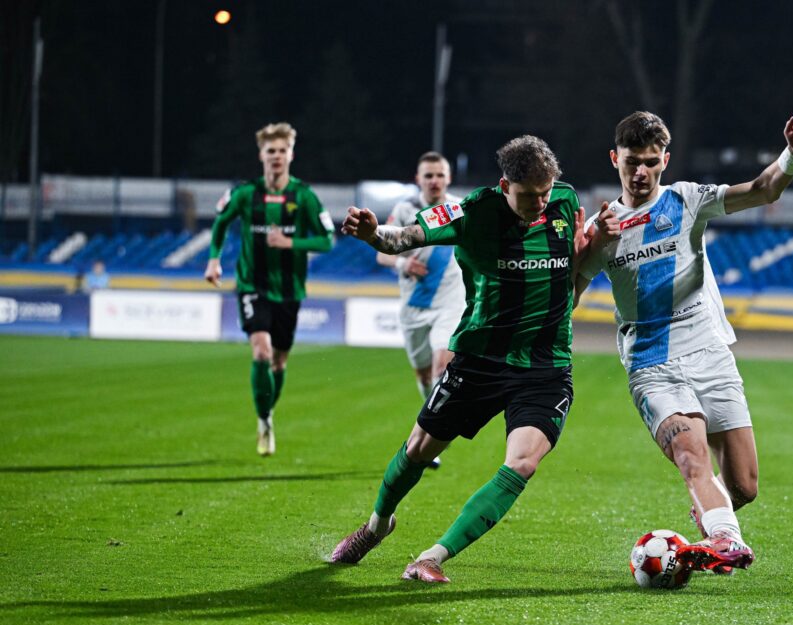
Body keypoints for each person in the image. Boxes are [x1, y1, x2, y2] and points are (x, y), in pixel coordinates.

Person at [575, 107, 793, 575]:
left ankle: (711, 516)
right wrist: (583, 254)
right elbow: (566, 300)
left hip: (709, 351)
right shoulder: (601, 228)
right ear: (615, 159)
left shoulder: (686, 200)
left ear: (664, 161)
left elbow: (762, 189)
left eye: (651, 160)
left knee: (745, 486)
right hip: (652, 362)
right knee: (691, 455)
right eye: (632, 160)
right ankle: (726, 541)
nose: (641, 171)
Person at [330, 135, 584, 584]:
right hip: (481, 360)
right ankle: (376, 527)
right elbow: (403, 238)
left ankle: (432, 557)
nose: (541, 203)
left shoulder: (563, 202)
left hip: (546, 367)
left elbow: (577, 265)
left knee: (522, 463)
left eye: (546, 192)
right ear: (505, 185)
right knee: (417, 451)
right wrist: (373, 234)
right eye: (529, 195)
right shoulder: (470, 212)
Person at [204, 122, 334, 456]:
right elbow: (220, 223)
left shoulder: (304, 196)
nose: (276, 156)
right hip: (252, 284)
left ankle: (267, 414)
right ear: (261, 155)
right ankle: (263, 419)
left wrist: (288, 242)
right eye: (270, 151)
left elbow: (327, 239)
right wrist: (214, 260)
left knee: (278, 364)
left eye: (281, 151)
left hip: (289, 291)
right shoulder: (246, 193)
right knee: (261, 351)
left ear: (291, 154)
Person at [376, 152, 466, 468]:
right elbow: (381, 254)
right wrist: (403, 261)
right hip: (414, 307)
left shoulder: (458, 209)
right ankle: (434, 419)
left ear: (448, 178)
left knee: (443, 366)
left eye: (439, 174)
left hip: (450, 304)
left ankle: (433, 435)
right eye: (428, 175)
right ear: (419, 179)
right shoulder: (404, 210)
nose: (434, 180)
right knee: (423, 373)